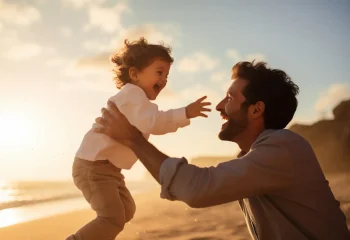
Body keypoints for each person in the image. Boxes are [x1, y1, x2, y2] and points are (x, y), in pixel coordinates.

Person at [94, 61, 350, 240]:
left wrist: (133, 139)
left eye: (230, 98)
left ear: (256, 110)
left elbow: (198, 189)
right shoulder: (260, 156)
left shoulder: (283, 147)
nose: (219, 106)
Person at [66, 38, 211, 240]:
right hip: (93, 167)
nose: (164, 80)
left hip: (108, 169)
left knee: (127, 210)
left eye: (167, 75)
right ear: (134, 74)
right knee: (112, 218)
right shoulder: (132, 95)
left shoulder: (137, 100)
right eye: (159, 72)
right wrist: (184, 112)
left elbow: (153, 120)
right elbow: (155, 122)